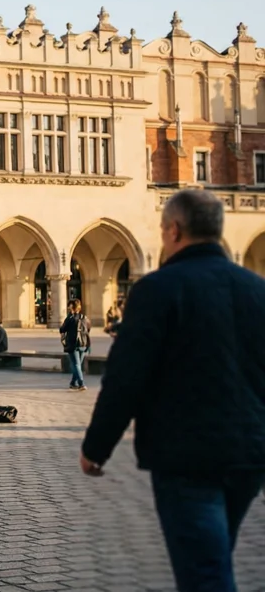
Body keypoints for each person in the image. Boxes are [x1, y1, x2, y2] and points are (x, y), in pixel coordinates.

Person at [81, 190, 265, 591]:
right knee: (215, 560)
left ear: (175, 230)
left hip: (186, 457)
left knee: (205, 574)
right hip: (249, 456)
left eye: (164, 230)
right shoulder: (257, 289)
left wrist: (96, 447)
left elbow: (125, 378)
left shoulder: (157, 290)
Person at [59, 299, 91, 391]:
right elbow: (88, 329)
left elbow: (62, 329)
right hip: (83, 344)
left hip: (73, 344)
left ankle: (81, 383)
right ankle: (73, 383)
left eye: (69, 306)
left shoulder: (70, 318)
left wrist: (69, 315)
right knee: (78, 365)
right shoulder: (85, 317)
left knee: (76, 365)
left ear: (72, 307)